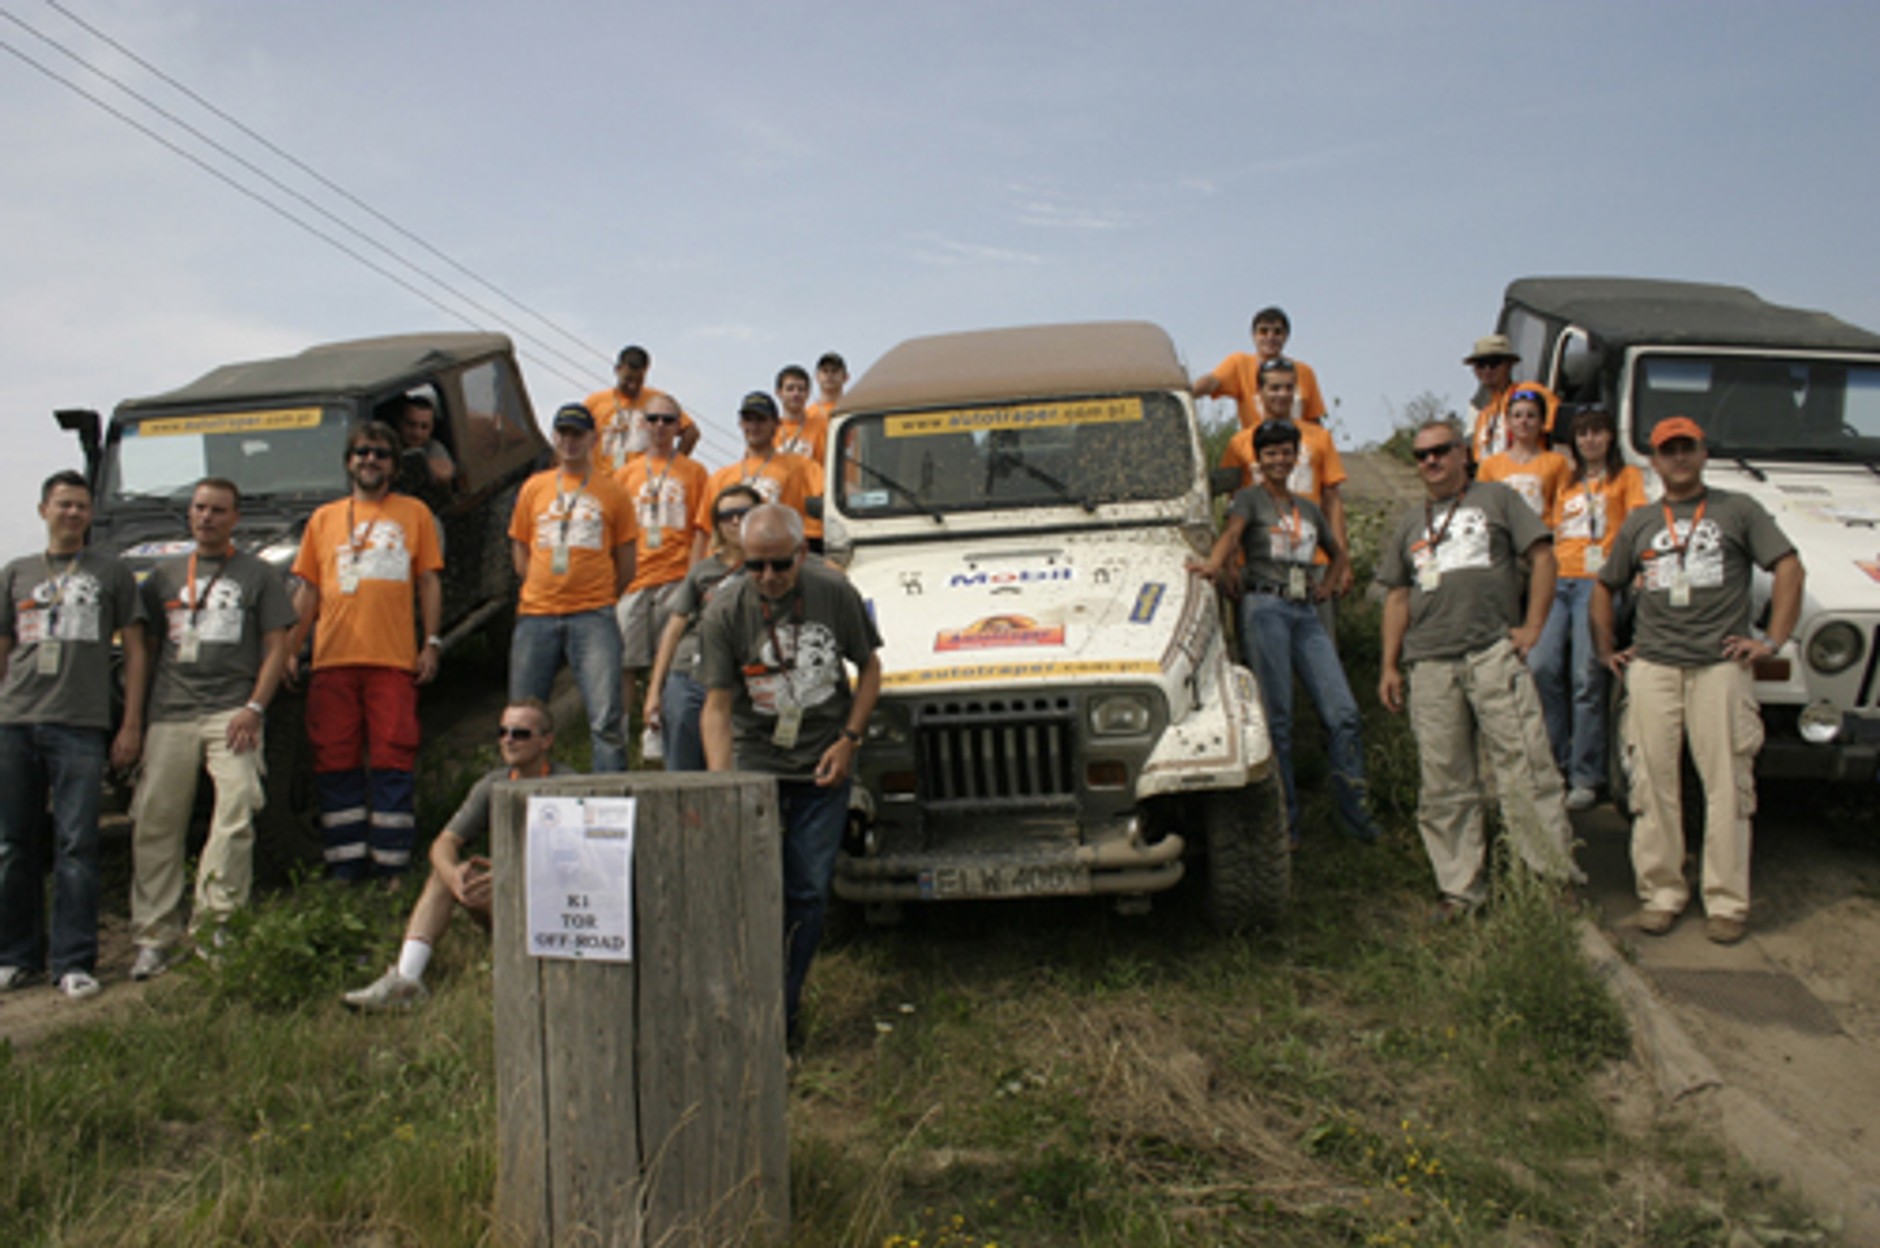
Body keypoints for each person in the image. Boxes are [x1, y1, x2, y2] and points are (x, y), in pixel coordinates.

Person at [1591, 417, 1802, 944]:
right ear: (1654, 461)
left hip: (1719, 666)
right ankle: (1661, 894)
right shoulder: (1641, 521)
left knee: (1727, 785)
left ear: (1703, 453)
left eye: (1687, 448)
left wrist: (1772, 640)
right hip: (1654, 665)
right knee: (1652, 784)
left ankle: (1726, 902)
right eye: (1668, 450)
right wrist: (1607, 649)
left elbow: (1789, 567)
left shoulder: (1738, 510)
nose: (1679, 458)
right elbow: (1604, 585)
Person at [1376, 419, 1577, 917]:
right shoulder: (1411, 522)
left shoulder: (1499, 499)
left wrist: (1533, 627)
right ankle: (1461, 889)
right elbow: (1398, 596)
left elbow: (1544, 558)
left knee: (1526, 766)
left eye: (1441, 450)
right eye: (1421, 455)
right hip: (1429, 662)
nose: (1431, 461)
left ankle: (1549, 881)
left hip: (1491, 652)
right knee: (1445, 781)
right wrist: (1389, 665)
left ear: (1463, 453)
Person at [699, 504, 881, 1045]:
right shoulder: (725, 609)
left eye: (779, 564)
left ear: (802, 554)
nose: (768, 577)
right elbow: (715, 706)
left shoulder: (834, 593)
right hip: (756, 760)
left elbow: (870, 668)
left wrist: (849, 740)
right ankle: (747, 1004)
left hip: (822, 762)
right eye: (754, 566)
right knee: (751, 886)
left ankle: (786, 1008)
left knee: (807, 890)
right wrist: (723, 784)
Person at [128, 478, 295, 978]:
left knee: (239, 806)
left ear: (235, 518)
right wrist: (136, 721)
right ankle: (155, 935)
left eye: (219, 510)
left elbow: (277, 647)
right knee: (156, 821)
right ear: (190, 514)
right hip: (171, 712)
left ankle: (217, 924)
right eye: (200, 508)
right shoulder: (161, 576)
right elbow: (145, 651)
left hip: (232, 712)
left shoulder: (258, 574)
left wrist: (255, 707)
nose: (207, 517)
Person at [1189, 421, 1382, 847]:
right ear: (1259, 460)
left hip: (1306, 611)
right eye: (1270, 453)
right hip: (1265, 608)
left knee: (1344, 714)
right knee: (1277, 719)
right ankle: (1284, 824)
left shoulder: (1308, 509)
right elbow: (1232, 534)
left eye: (1286, 452)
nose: (1279, 460)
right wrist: (1213, 565)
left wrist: (1328, 585)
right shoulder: (1249, 499)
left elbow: (1337, 553)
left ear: (1297, 457)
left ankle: (1355, 815)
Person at [0, 471, 146, 1000]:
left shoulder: (112, 572)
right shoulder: (16, 572)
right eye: (63, 504)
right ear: (43, 510)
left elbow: (136, 650)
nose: (73, 513)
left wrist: (131, 722)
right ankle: (16, 957)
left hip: (81, 725)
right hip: (16, 722)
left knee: (77, 845)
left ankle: (74, 961)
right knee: (14, 845)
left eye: (82, 505)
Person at [286, 421, 444, 880]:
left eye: (380, 453)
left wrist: (431, 642)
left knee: (394, 757)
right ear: (348, 462)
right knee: (334, 759)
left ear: (394, 465)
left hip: (392, 660)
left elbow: (429, 581)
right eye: (361, 452)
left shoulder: (415, 513)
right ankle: (346, 864)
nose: (370, 460)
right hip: (332, 660)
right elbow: (308, 590)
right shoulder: (323, 519)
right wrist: (291, 649)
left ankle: (392, 865)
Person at [343, 699, 569, 1010]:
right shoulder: (492, 784)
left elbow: (574, 864)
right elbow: (444, 842)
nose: (508, 740)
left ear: (546, 741)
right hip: (502, 892)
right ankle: (406, 979)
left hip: (551, 905)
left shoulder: (568, 785)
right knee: (444, 872)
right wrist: (454, 877)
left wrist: (509, 872)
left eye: (520, 733)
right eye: (502, 732)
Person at [509, 404, 639, 773]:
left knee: (606, 717)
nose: (570, 441)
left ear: (593, 439)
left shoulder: (613, 491)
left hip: (593, 614)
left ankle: (609, 797)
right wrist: (537, 582)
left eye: (577, 434)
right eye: (563, 433)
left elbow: (626, 561)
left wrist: (602, 594)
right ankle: (525, 793)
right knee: (521, 718)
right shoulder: (534, 487)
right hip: (536, 614)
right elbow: (519, 545)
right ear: (554, 437)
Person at [1529, 408, 1647, 810]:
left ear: (1610, 437)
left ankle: (1586, 774)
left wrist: (1635, 569)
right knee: (1541, 666)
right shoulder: (1567, 479)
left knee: (1586, 675)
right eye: (1582, 434)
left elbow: (1637, 525)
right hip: (1559, 578)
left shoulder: (1626, 477)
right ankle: (1555, 763)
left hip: (1597, 582)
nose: (1590, 440)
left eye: (1597, 433)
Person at [614, 393, 708, 745]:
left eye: (668, 420)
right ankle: (620, 731)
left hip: (676, 577)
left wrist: (694, 579)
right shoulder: (625, 474)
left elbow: (702, 529)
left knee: (669, 662)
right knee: (624, 662)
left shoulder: (695, 472)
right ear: (643, 423)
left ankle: (659, 728)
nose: (659, 426)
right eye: (653, 419)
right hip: (634, 581)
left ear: (678, 426)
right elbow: (616, 533)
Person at [644, 484, 758, 771]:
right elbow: (673, 630)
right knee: (682, 771)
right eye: (726, 515)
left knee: (734, 767)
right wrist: (654, 691)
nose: (735, 521)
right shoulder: (703, 571)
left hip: (743, 680)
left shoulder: (775, 566)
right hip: (689, 673)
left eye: (744, 513)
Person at [690, 392, 817, 561]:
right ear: (740, 423)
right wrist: (694, 575)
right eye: (748, 420)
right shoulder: (720, 477)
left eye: (761, 420)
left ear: (776, 424)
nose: (754, 426)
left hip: (774, 563)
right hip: (728, 565)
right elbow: (704, 532)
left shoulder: (800, 467)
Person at [1193, 306, 1330, 427]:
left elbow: (1314, 421)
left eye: (1277, 332)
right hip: (1256, 444)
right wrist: (1187, 392)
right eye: (1264, 331)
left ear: (1286, 336)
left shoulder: (1304, 372)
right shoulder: (1240, 364)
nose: (1270, 337)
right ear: (1254, 335)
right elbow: (1212, 382)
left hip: (1297, 445)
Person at [585, 344, 701, 472]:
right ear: (618, 370)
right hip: (605, 477)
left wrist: (671, 464)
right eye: (628, 379)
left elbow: (691, 432)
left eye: (639, 381)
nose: (633, 386)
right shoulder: (595, 402)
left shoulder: (657, 401)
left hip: (642, 477)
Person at [1476, 388, 1571, 518]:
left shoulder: (1558, 462)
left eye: (1531, 416)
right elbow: (1482, 508)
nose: (1523, 421)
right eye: (1517, 416)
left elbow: (1562, 507)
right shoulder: (1489, 465)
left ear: (1542, 422)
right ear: (1508, 422)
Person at [1463, 334, 1558, 462]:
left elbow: (1560, 432)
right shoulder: (1483, 416)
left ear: (1509, 365)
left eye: (1494, 363)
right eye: (1481, 364)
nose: (1487, 370)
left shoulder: (1528, 392)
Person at [391, 394, 455, 489]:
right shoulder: (388, 444)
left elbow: (444, 474)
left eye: (424, 427)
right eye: (411, 424)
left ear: (432, 428)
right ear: (399, 422)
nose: (417, 433)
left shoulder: (433, 448)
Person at [805, 352, 848, 422]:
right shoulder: (808, 415)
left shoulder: (853, 410)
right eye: (825, 371)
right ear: (817, 377)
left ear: (845, 377)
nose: (829, 375)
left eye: (834, 371)